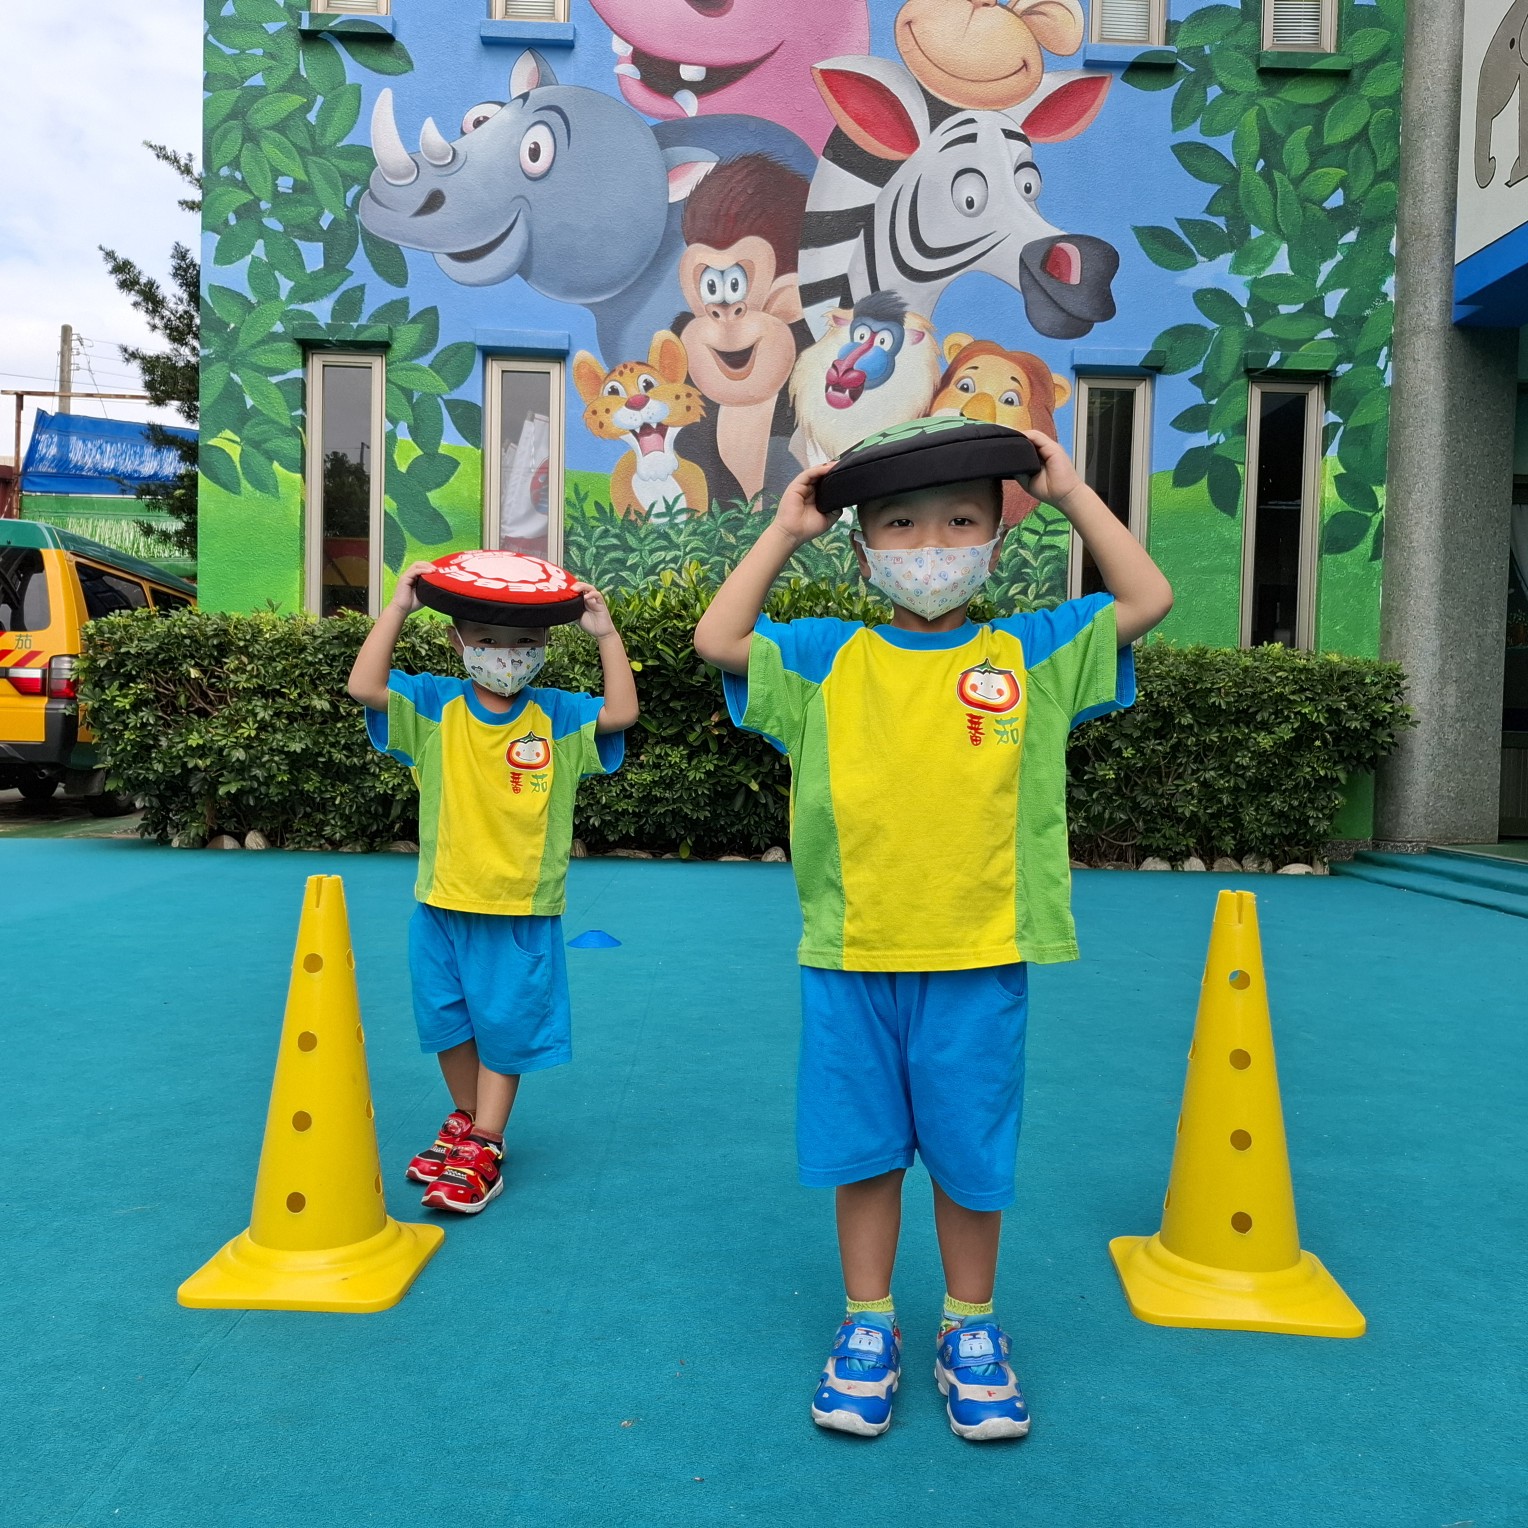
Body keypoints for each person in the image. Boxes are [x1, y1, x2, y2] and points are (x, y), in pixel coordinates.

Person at [693, 428, 1173, 1440]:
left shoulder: (1030, 653)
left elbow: (1146, 598)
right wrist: (785, 530)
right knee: (864, 1155)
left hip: (978, 958)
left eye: (960, 521)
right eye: (901, 524)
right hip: (852, 958)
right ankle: (868, 1323)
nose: (930, 545)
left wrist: (1071, 492)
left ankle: (970, 1326)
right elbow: (719, 640)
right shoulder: (825, 656)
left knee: (968, 1156)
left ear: (997, 538)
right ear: (862, 545)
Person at [347, 561, 638, 1214]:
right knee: (446, 1021)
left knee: (504, 1024)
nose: (506, 654)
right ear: (457, 641)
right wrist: (397, 608)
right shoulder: (433, 705)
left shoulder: (558, 714)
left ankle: (487, 1141)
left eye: (524, 642)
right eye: (486, 639)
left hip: (518, 908)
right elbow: (364, 685)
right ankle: (465, 1117)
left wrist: (605, 632)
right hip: (441, 902)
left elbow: (622, 711)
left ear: (545, 645)